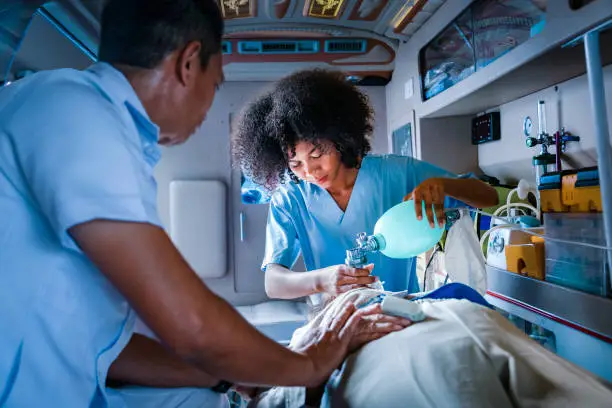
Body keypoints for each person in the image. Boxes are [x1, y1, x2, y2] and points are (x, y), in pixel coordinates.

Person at [0, 1, 410, 407]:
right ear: (189, 63)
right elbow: (190, 324)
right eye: (215, 85)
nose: (210, 105)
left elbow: (107, 349)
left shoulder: (103, 131)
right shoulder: (77, 113)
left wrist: (226, 375)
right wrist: (310, 363)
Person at [231, 69, 499, 303]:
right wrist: (322, 280)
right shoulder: (289, 199)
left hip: (404, 313)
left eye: (316, 154)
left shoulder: (397, 172)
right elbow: (273, 282)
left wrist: (442, 185)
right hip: (335, 317)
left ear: (340, 138)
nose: (310, 171)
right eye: (295, 164)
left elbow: (488, 197)